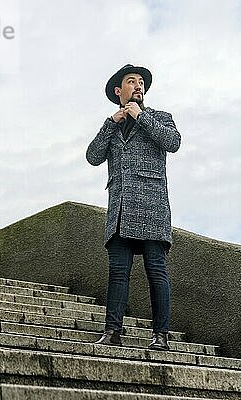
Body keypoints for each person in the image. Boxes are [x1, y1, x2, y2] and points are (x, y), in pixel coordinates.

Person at [86, 64, 181, 351]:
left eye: (141, 82)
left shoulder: (160, 117)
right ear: (119, 91)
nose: (138, 85)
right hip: (120, 209)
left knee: (156, 270)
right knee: (117, 272)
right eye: (131, 82)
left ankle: (160, 336)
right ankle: (112, 331)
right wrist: (110, 123)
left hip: (152, 207)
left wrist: (140, 117)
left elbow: (173, 143)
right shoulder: (113, 126)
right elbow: (92, 157)